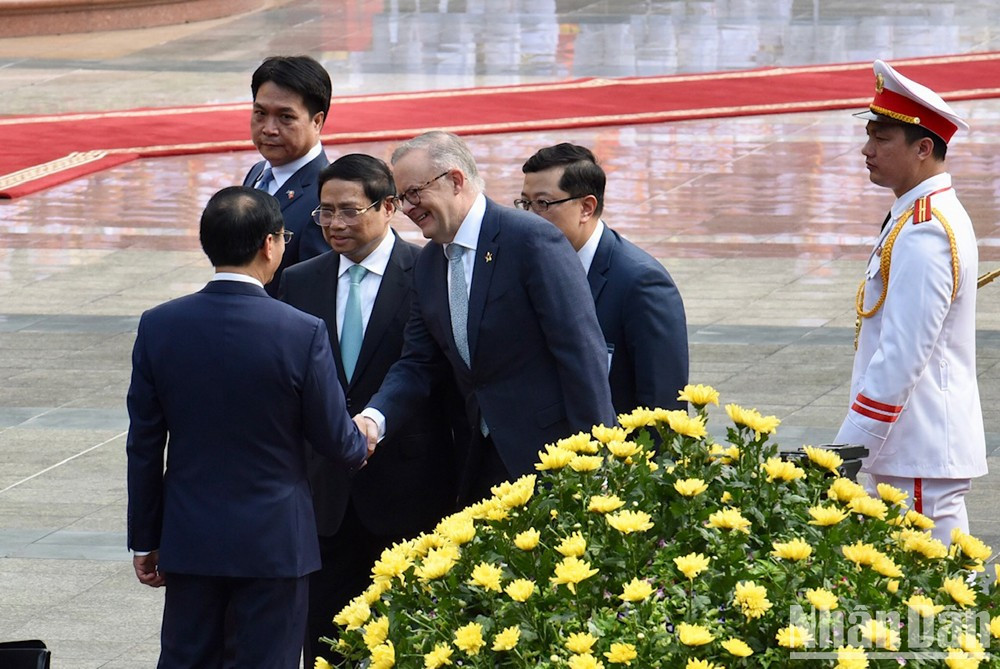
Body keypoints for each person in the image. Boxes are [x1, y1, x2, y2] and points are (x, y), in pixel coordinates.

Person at [126, 186, 372, 669]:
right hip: (275, 543)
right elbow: (336, 441)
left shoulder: (159, 325)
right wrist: (362, 432)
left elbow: (144, 444)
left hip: (190, 537)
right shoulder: (301, 332)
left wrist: (145, 537)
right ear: (269, 244)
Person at [359, 131, 616, 504]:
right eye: (401, 199)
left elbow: (580, 351)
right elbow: (418, 361)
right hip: (479, 460)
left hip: (552, 456)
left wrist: (598, 458)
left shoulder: (530, 240)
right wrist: (374, 419)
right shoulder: (429, 262)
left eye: (415, 193)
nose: (408, 208)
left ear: (455, 180)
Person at [279, 154, 458, 663]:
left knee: (408, 643)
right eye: (325, 212)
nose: (335, 224)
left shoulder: (430, 270)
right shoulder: (300, 281)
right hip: (325, 498)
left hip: (409, 493)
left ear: (388, 207)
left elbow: (429, 371)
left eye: (350, 211)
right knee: (325, 643)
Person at [835, 60, 987, 544]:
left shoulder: (926, 229)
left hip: (916, 448)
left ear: (924, 148)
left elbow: (903, 354)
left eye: (881, 139)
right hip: (912, 447)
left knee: (929, 608)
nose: (867, 149)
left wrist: (848, 447)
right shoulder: (917, 213)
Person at [520, 143, 689, 415]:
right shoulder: (527, 264)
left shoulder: (641, 283)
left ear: (587, 207)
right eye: (525, 203)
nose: (529, 216)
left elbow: (662, 403)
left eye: (543, 203)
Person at [243, 55, 332, 296]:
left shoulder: (327, 195)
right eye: (260, 113)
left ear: (317, 121)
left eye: (285, 117)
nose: (269, 129)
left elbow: (315, 290)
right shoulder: (258, 173)